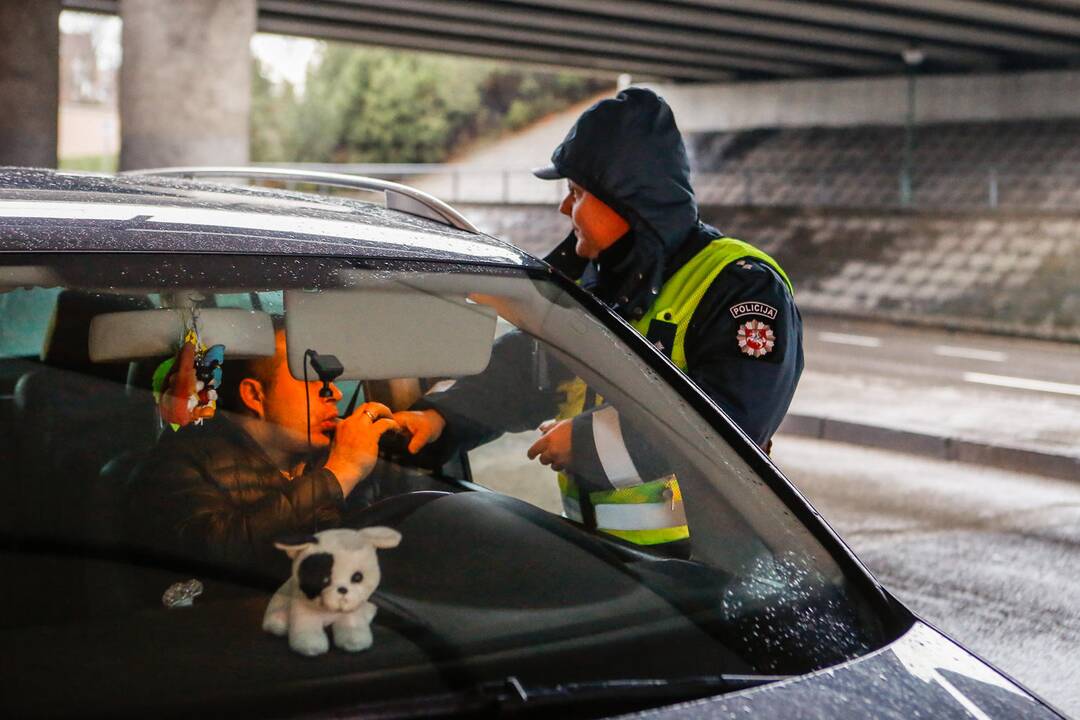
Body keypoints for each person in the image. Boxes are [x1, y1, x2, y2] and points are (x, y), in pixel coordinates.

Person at [394, 87, 803, 553]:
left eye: (577, 192)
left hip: (711, 575)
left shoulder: (740, 287)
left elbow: (727, 427)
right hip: (605, 563)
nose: (565, 209)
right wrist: (440, 419)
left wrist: (588, 445)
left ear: (628, 198)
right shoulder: (601, 279)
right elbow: (527, 370)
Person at [127, 326, 399, 576]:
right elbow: (215, 554)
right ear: (255, 396)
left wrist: (402, 434)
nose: (335, 394)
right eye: (310, 378)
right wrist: (341, 473)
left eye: (327, 379)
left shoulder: (327, 451)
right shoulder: (179, 462)